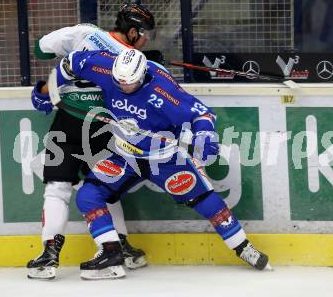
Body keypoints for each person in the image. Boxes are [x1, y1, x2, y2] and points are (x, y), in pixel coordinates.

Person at [52, 48, 271, 280]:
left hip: (164, 159)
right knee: (88, 195)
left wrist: (205, 138)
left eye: (129, 83)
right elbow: (73, 60)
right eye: (118, 82)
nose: (123, 87)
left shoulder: (162, 91)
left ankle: (243, 247)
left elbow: (202, 115)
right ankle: (111, 253)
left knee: (205, 200)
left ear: (143, 74)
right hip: (124, 155)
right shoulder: (105, 66)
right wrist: (49, 91)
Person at [27, 3, 156, 280]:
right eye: (145, 34)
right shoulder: (132, 58)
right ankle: (120, 248)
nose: (146, 41)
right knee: (103, 190)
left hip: (67, 121)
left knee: (57, 189)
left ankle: (48, 255)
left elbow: (40, 49)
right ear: (133, 32)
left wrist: (45, 88)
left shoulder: (84, 32)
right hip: (102, 128)